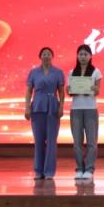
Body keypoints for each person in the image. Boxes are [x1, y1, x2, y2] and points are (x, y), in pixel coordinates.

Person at [25, 47, 65, 180]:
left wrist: (61, 106)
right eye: (44, 54)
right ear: (40, 57)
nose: (46, 56)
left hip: (53, 107)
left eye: (48, 54)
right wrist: (27, 107)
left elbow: (61, 91)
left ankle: (49, 172)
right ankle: (38, 171)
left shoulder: (58, 72)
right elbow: (29, 91)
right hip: (37, 106)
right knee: (39, 140)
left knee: (51, 141)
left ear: (52, 56)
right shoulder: (33, 72)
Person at [67, 44, 101, 180]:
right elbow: (69, 91)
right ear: (77, 56)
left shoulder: (96, 71)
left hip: (90, 109)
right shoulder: (72, 72)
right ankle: (79, 168)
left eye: (85, 54)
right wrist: (69, 89)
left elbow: (97, 91)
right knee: (77, 142)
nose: (83, 57)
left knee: (91, 141)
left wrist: (94, 89)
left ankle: (89, 168)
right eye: (80, 54)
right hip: (75, 109)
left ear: (90, 56)